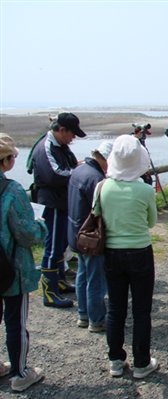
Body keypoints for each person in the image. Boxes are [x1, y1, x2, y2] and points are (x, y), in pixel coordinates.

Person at [98, 135, 158, 379]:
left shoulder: (103, 187)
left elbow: (97, 216)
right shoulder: (144, 190)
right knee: (142, 311)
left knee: (115, 308)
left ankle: (115, 360)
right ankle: (142, 363)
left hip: (112, 252)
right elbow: (152, 221)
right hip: (140, 251)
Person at [0, 133, 47, 392]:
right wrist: (41, 226)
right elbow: (27, 234)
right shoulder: (12, 190)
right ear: (5, 161)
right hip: (11, 268)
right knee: (15, 322)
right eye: (13, 156)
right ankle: (20, 373)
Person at [32, 112, 86, 308]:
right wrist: (79, 173)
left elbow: (68, 166)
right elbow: (55, 175)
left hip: (63, 202)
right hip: (52, 203)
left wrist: (77, 166)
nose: (73, 139)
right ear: (61, 130)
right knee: (53, 247)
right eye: (72, 134)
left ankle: (60, 282)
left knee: (61, 244)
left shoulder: (60, 146)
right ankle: (49, 292)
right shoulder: (46, 147)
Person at [67, 140, 114, 333]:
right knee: (96, 279)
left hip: (75, 233)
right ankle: (96, 319)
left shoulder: (78, 171)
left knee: (82, 275)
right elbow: (103, 210)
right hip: (91, 236)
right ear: (104, 158)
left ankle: (83, 314)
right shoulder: (95, 178)